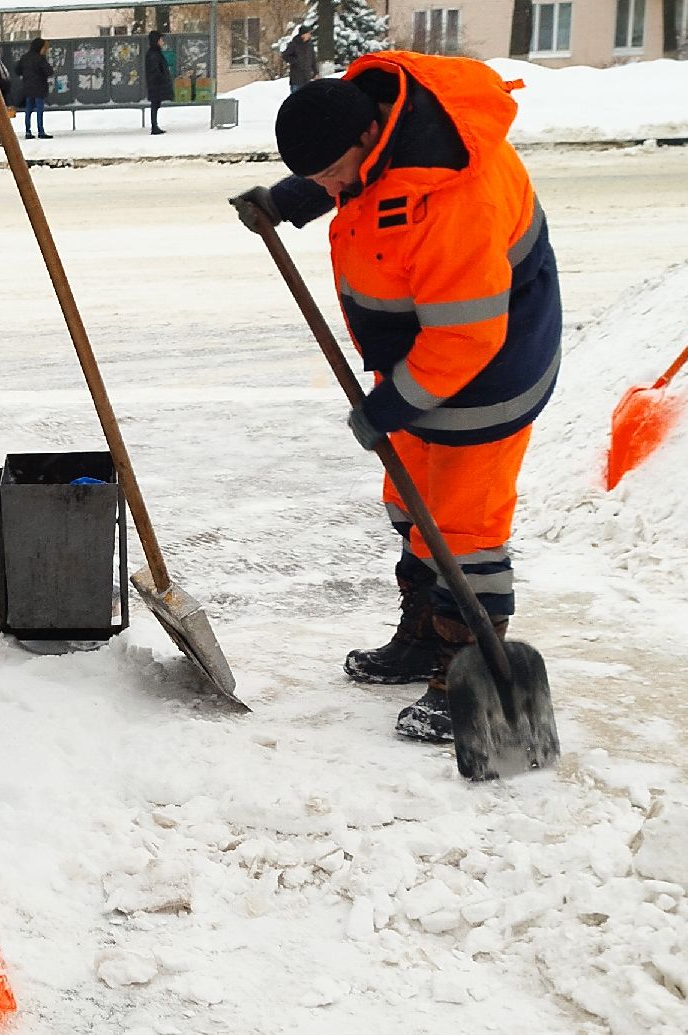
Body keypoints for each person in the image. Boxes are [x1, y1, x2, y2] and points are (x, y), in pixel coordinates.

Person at [230, 55, 561, 744]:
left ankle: (469, 667)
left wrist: (391, 403)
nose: (329, 189)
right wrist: (293, 200)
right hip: (420, 356)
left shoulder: (452, 196)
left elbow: (468, 335)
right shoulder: (373, 122)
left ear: (369, 136)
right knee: (408, 496)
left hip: (487, 366)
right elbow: (362, 184)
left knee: (463, 526)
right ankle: (421, 635)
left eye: (328, 177)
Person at [14, 37, 53, 140]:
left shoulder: (24, 57)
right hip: (39, 88)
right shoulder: (40, 58)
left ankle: (28, 131)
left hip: (27, 88)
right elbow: (49, 72)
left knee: (28, 110)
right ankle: (41, 131)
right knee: (39, 110)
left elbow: (17, 70)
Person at [143, 30, 174, 136]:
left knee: (156, 105)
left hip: (156, 84)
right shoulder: (153, 54)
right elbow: (155, 70)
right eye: (160, 39)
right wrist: (162, 78)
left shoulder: (155, 52)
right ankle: (154, 127)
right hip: (156, 84)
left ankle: (155, 126)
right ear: (156, 41)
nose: (162, 41)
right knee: (155, 104)